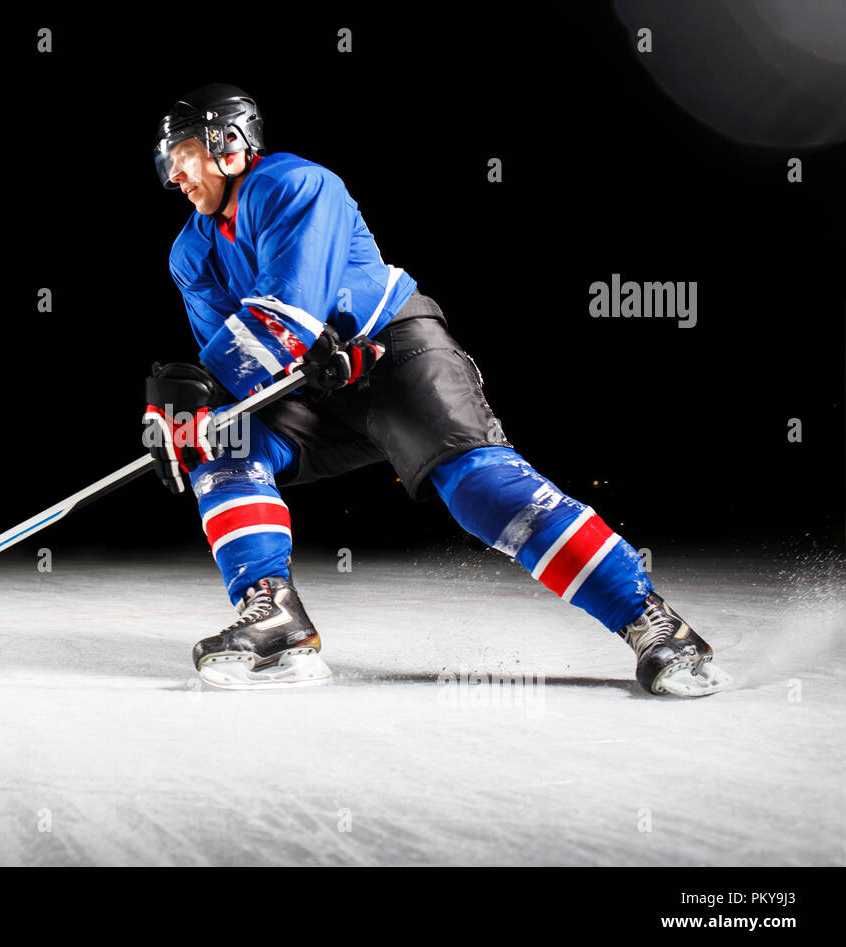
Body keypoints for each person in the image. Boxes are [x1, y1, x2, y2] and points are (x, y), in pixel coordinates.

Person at [143, 84, 729, 696]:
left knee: (481, 489)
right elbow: (238, 362)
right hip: (317, 391)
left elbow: (287, 314)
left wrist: (201, 389)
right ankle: (275, 618)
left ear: (228, 145)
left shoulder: (293, 184)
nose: (174, 174)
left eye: (182, 153)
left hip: (394, 355)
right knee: (223, 440)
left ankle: (655, 625)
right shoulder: (191, 250)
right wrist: (192, 417)